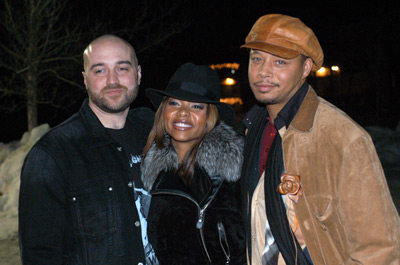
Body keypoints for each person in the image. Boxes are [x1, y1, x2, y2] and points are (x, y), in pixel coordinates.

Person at [240, 14, 400, 265]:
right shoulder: (255, 130)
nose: (263, 72)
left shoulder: (342, 138)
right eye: (256, 58)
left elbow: (379, 250)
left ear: (306, 68)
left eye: (280, 62)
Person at [19, 34, 158, 265]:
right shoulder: (52, 155)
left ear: (139, 73)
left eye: (122, 68)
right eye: (100, 71)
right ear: (85, 79)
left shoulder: (158, 134)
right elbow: (40, 254)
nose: (112, 80)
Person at [141, 62, 246, 265]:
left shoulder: (233, 173)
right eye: (175, 103)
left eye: (196, 106)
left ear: (210, 115)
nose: (183, 113)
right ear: (163, 111)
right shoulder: (149, 173)